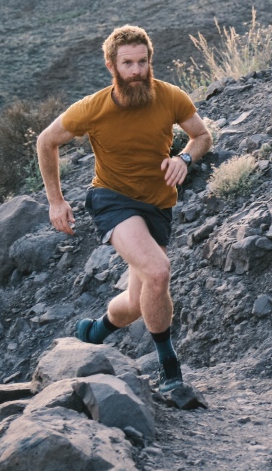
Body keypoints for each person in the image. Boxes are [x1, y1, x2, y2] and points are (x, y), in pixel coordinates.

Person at [36, 24, 211, 406]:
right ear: (111, 66)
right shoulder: (92, 108)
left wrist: (184, 157)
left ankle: (94, 332)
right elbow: (46, 141)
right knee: (159, 270)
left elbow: (202, 136)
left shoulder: (170, 97)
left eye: (142, 62)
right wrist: (55, 200)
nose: (136, 71)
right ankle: (169, 369)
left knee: (136, 301)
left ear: (150, 62)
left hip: (158, 205)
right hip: (112, 199)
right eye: (127, 63)